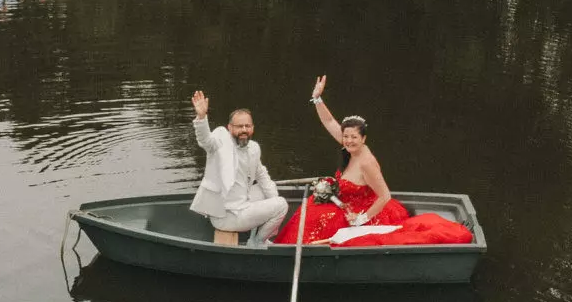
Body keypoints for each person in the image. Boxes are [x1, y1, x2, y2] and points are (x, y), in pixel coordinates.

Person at [270, 75, 474, 248]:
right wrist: (317, 99)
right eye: (346, 136)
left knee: (314, 217)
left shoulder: (367, 162)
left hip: (361, 211)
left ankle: (296, 250)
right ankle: (289, 246)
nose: (348, 141)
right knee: (311, 207)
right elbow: (329, 121)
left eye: (353, 138)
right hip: (345, 204)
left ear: (363, 139)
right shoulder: (349, 148)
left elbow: (384, 196)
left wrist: (361, 220)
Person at [187, 89, 286, 247]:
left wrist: (272, 204)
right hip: (226, 216)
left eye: (247, 126)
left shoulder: (254, 148)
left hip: (243, 205)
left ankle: (261, 232)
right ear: (230, 128)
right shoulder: (219, 144)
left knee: (267, 189)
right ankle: (257, 241)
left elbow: (263, 176)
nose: (244, 130)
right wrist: (201, 117)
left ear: (252, 128)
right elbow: (205, 140)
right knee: (282, 205)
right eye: (239, 126)